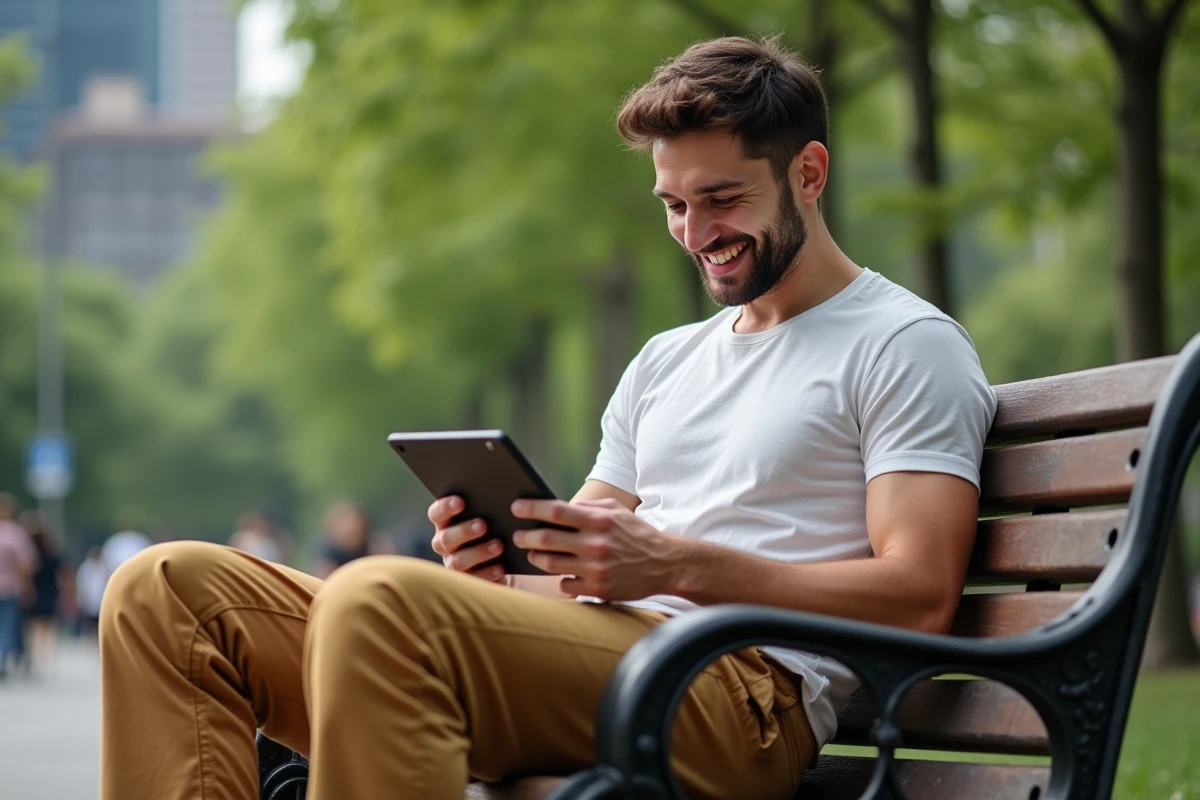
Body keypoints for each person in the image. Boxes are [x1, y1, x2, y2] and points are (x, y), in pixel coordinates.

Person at [98, 37, 996, 800]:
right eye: (674, 206)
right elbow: (571, 573)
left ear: (809, 172)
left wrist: (679, 563)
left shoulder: (902, 344)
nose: (695, 234)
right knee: (166, 590)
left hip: (738, 694)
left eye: (722, 199)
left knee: (381, 599)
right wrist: (497, 569)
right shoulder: (667, 360)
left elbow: (919, 594)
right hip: (609, 660)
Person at [20, 511, 66, 676]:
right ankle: (45, 658)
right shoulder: (53, 555)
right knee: (48, 627)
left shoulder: (29, 556)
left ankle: (35, 658)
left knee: (33, 628)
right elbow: (62, 575)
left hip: (34, 593)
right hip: (50, 592)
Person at [0, 494, 36, 679]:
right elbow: (25, 565)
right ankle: (2, 658)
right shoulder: (15, 534)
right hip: (10, 588)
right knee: (7, 626)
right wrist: (27, 588)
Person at [311, 501, 372, 579]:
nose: (350, 527)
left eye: (355, 532)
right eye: (348, 534)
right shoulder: (327, 556)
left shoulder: (370, 550)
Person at [76, 547, 108, 641]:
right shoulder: (85, 568)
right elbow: (81, 584)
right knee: (89, 624)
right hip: (89, 601)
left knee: (99, 624)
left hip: (100, 600)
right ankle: (90, 641)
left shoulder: (103, 568)